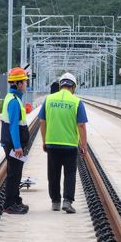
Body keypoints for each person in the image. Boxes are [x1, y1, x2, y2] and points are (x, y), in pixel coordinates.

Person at [40, 72, 88, 214]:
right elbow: (81, 126)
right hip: (70, 145)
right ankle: (67, 201)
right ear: (73, 87)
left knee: (53, 173)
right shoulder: (77, 102)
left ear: (61, 85)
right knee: (70, 173)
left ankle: (55, 202)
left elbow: (42, 122)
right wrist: (83, 145)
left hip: (52, 143)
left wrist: (44, 141)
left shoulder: (48, 100)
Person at [1, 67, 31, 214]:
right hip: (14, 145)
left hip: (12, 143)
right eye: (25, 82)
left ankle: (15, 199)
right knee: (13, 174)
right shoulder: (14, 101)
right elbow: (13, 126)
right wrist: (18, 146)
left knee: (16, 173)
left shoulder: (13, 98)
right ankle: (9, 204)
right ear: (18, 84)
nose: (26, 84)